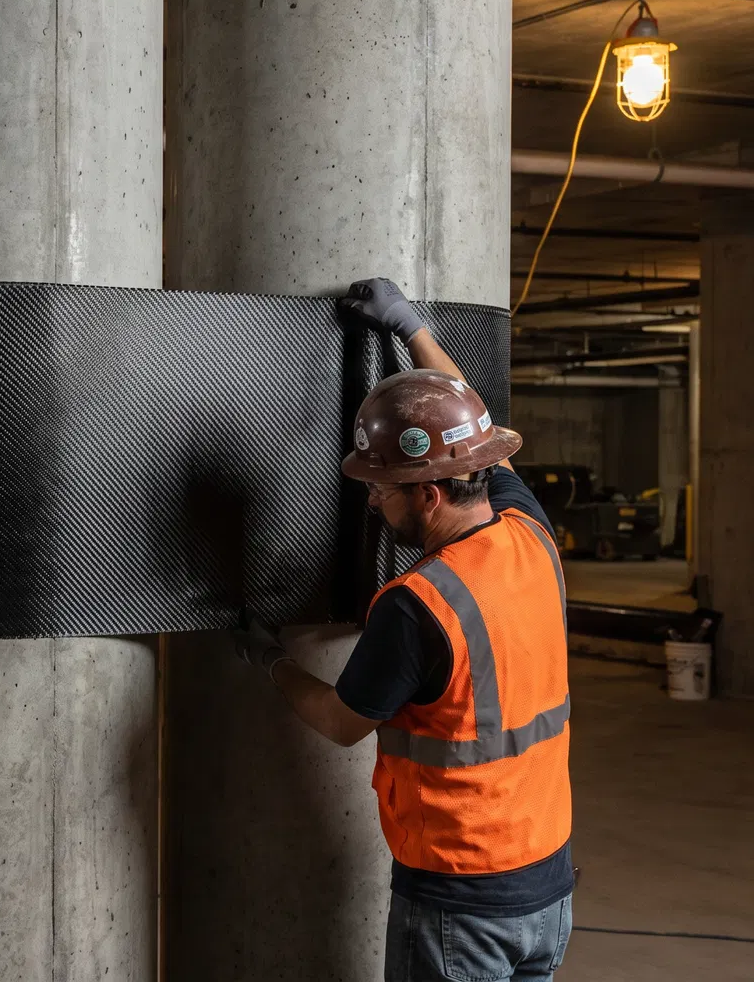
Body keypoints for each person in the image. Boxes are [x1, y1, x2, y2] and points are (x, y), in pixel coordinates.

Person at [237, 277, 574, 982]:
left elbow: (340, 721)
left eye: (381, 487)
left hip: (461, 896)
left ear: (426, 493)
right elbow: (477, 441)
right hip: (546, 885)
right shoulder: (528, 533)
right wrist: (410, 328)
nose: (372, 500)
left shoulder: (419, 604)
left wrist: (267, 659)